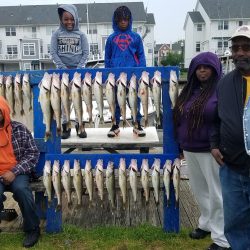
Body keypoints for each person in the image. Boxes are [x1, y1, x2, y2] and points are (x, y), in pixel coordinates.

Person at [173, 52, 231, 250]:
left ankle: (222, 239)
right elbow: (180, 120)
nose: (202, 70)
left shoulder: (222, 90)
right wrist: (179, 145)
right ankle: (206, 224)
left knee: (217, 194)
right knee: (199, 191)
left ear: (215, 69)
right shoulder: (189, 91)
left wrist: (219, 145)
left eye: (207, 67)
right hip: (190, 149)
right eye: (198, 67)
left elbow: (224, 120)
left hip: (211, 150)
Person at [210, 25, 250, 249]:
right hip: (231, 169)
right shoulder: (224, 83)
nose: (240, 53)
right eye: (235, 48)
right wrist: (214, 144)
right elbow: (216, 118)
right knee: (234, 224)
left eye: (246, 47)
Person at [0, 96, 40, 248]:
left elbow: (32, 153)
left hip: (17, 172)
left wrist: (14, 171)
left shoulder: (19, 129)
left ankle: (32, 229)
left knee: (22, 190)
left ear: (5, 112)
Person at [105, 5, 146, 137]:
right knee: (115, 101)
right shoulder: (110, 39)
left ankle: (137, 123)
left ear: (130, 20)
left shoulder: (136, 37)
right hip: (115, 78)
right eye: (120, 19)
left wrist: (141, 74)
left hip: (133, 77)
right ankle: (115, 124)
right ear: (116, 20)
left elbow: (141, 56)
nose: (123, 21)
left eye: (126, 19)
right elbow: (107, 58)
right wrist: (108, 75)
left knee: (136, 101)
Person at [51, 4, 89, 139]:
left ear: (76, 19)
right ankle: (66, 124)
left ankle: (80, 124)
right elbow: (53, 53)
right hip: (62, 74)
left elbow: (85, 53)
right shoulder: (56, 34)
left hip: (78, 74)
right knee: (63, 102)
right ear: (61, 19)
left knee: (79, 100)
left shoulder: (81, 35)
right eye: (66, 19)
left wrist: (79, 68)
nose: (69, 22)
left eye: (72, 19)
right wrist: (62, 67)